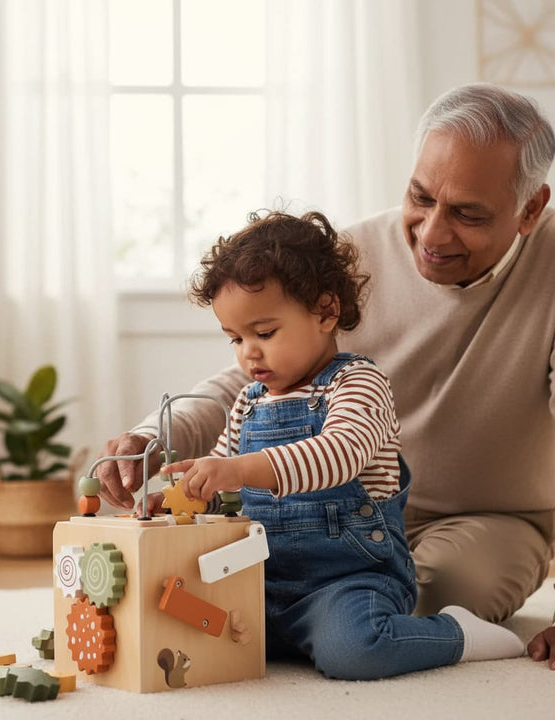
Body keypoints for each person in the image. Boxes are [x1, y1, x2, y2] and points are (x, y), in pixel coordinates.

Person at [96, 83, 555, 666]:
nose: (433, 234)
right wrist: (153, 442)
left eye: (467, 214)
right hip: (322, 511)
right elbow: (247, 387)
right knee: (226, 584)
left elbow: (338, 444)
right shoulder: (350, 256)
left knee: (420, 597)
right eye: (420, 197)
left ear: (530, 210)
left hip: (489, 517)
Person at [165, 208, 524, 679]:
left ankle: (455, 633)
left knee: (354, 652)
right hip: (261, 579)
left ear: (325, 311)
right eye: (234, 338)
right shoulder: (248, 402)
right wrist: (185, 492)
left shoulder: (358, 383)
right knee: (195, 629)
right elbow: (220, 471)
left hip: (348, 580)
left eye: (265, 332)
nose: (248, 352)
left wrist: (240, 469)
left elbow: (338, 454)